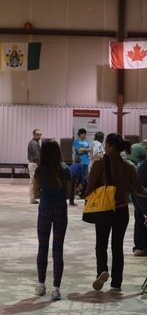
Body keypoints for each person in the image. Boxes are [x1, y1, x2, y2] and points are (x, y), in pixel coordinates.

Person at [86, 133, 147, 292]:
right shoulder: (129, 166)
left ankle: (102, 271)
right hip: (122, 210)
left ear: (111, 146)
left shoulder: (99, 164)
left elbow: (89, 189)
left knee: (101, 244)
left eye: (106, 144)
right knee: (117, 246)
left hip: (104, 209)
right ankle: (116, 283)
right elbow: (139, 190)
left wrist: (88, 198)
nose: (104, 147)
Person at [33, 139, 72, 301]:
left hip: (44, 211)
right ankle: (56, 289)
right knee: (58, 250)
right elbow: (70, 194)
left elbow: (35, 194)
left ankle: (41, 285)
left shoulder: (40, 170)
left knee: (42, 248)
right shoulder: (65, 169)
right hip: (60, 211)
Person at [73, 128, 91, 195]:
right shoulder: (76, 141)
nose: (85, 135)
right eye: (84, 134)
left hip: (86, 162)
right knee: (78, 178)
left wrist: (83, 149)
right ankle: (76, 191)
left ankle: (83, 192)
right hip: (79, 162)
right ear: (80, 134)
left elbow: (90, 149)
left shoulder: (86, 142)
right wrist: (86, 149)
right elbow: (79, 151)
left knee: (85, 178)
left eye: (85, 134)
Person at [27, 128, 42, 204]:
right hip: (34, 164)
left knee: (33, 181)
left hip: (33, 163)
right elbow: (37, 156)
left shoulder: (35, 142)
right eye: (37, 134)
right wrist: (40, 164)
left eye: (40, 134)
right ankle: (32, 199)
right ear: (33, 135)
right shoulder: (34, 143)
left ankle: (33, 198)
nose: (39, 136)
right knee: (33, 181)